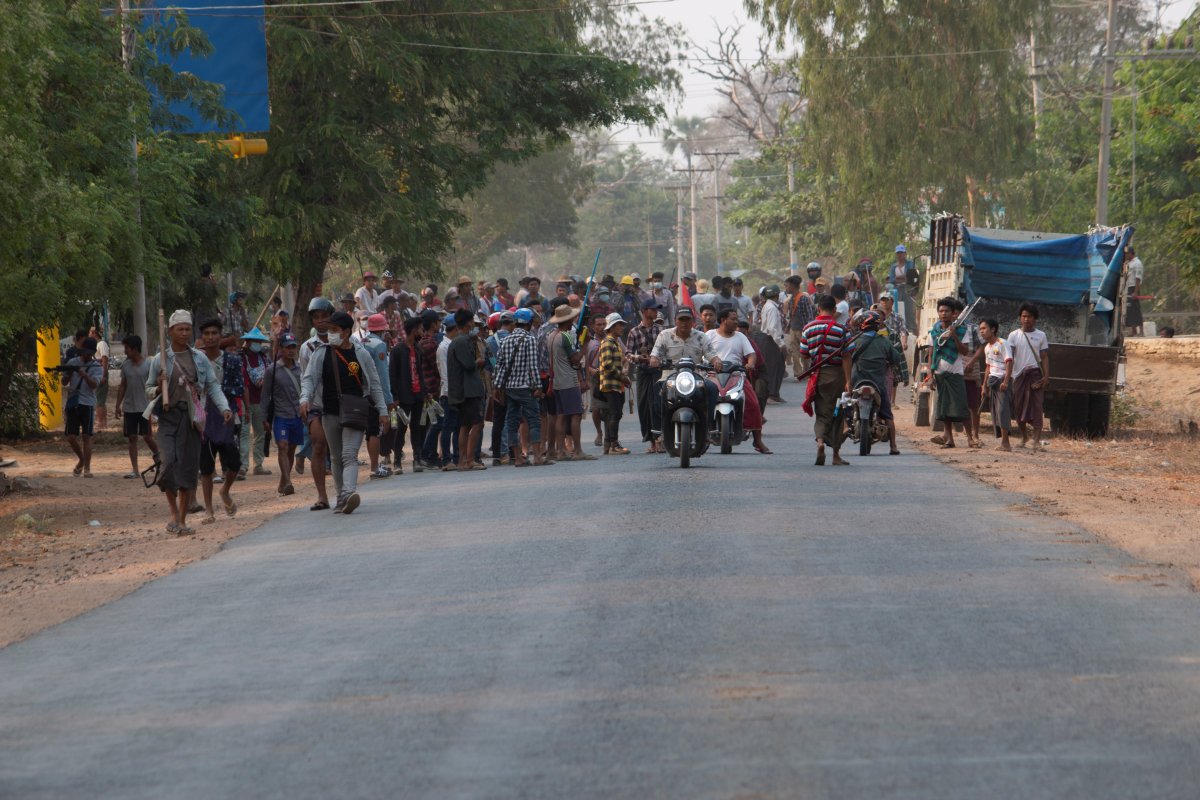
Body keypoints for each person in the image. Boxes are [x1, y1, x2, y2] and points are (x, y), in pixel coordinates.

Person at [147, 311, 232, 535]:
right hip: (167, 419)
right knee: (167, 464)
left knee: (187, 470)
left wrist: (224, 408)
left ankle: (182, 520)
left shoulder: (200, 359)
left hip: (192, 419)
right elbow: (148, 389)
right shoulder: (160, 359)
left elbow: (212, 386)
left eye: (187, 329)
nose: (184, 333)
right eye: (180, 329)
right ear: (170, 331)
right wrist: (157, 386)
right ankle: (173, 511)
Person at [299, 311, 388, 514]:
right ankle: (341, 498)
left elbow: (374, 383)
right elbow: (309, 379)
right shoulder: (320, 353)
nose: (329, 333)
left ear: (346, 332)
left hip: (355, 411)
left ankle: (348, 492)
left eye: (334, 330)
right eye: (328, 330)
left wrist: (382, 410)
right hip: (329, 412)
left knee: (349, 455)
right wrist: (305, 399)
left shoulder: (361, 354)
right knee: (337, 457)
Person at [798, 294, 854, 466]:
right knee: (838, 413)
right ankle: (836, 455)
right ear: (835, 309)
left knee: (822, 412)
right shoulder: (842, 329)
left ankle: (821, 441)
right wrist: (848, 381)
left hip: (818, 376)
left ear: (818, 308)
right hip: (837, 375)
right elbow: (847, 356)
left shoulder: (808, 328)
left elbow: (804, 353)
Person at [196, 324, 243, 523]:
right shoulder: (196, 359)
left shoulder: (231, 360)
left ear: (220, 335)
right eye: (206, 333)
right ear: (202, 336)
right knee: (206, 467)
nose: (211, 337)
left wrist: (225, 405)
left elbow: (238, 386)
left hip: (226, 415)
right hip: (203, 416)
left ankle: (225, 490)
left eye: (214, 333)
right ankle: (209, 511)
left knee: (234, 462)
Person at [707, 308, 771, 454]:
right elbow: (700, 351)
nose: (736, 322)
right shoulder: (709, 335)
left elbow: (751, 354)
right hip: (711, 375)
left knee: (753, 403)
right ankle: (701, 433)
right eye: (733, 319)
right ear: (723, 320)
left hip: (736, 375)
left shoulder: (740, 337)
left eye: (736, 319)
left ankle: (758, 440)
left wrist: (751, 363)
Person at [649, 306, 722, 432]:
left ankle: (708, 425)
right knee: (656, 392)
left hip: (695, 376)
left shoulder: (701, 337)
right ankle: (659, 429)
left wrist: (717, 361)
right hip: (670, 376)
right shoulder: (664, 335)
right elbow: (655, 354)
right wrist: (654, 360)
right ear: (675, 320)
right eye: (681, 319)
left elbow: (712, 354)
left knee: (712, 388)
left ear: (693, 321)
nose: (684, 323)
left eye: (687, 319)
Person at [493, 308, 550, 466]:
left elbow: (500, 366)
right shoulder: (530, 339)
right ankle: (538, 457)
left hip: (510, 388)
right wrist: (538, 386)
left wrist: (497, 387)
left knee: (512, 422)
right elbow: (533, 365)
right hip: (526, 388)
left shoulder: (506, 341)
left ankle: (518, 458)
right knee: (534, 421)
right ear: (530, 322)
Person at [849, 310, 908, 455]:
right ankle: (893, 446)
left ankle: (845, 427)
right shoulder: (884, 342)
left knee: (845, 405)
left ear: (861, 325)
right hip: (878, 385)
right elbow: (895, 358)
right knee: (888, 415)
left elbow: (845, 358)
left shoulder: (854, 341)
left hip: (856, 383)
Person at [297, 296, 335, 510]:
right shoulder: (307, 348)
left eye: (324, 316)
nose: (320, 321)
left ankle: (343, 491)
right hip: (317, 403)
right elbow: (305, 378)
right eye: (316, 318)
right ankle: (322, 496)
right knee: (318, 445)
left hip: (340, 403)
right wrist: (305, 400)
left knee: (337, 450)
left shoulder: (343, 342)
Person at [546, 303, 592, 461]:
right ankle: (578, 450)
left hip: (557, 380)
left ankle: (561, 451)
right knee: (575, 415)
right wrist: (585, 344)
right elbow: (575, 359)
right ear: (569, 319)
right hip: (568, 380)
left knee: (561, 416)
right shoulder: (565, 337)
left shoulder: (552, 335)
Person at [389, 316, 433, 474]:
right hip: (404, 395)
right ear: (414, 330)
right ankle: (397, 462)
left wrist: (425, 391)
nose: (422, 332)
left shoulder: (418, 349)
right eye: (420, 329)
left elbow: (420, 374)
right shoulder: (398, 350)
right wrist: (395, 397)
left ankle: (417, 458)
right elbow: (392, 375)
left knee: (418, 427)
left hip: (418, 395)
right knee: (401, 428)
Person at [445, 309, 487, 471]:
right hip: (468, 390)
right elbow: (468, 365)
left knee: (465, 425)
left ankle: (463, 460)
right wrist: (478, 361)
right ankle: (469, 459)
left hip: (462, 390)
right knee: (477, 423)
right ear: (468, 322)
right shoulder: (462, 342)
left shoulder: (459, 340)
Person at [262, 333, 304, 495]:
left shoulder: (300, 368)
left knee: (291, 449)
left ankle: (283, 481)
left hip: (297, 416)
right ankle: (287, 482)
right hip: (281, 416)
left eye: (293, 347)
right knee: (282, 446)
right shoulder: (272, 371)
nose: (291, 350)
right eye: (287, 347)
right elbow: (265, 395)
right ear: (281, 349)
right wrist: (265, 417)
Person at [926, 297, 970, 449]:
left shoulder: (962, 330)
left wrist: (954, 335)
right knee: (944, 408)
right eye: (941, 311)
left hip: (955, 373)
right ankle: (950, 439)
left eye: (947, 311)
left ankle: (971, 438)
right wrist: (931, 376)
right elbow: (931, 355)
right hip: (940, 374)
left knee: (961, 407)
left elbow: (965, 351)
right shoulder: (935, 331)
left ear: (953, 314)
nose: (943, 314)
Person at [114, 334, 159, 479]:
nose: (125, 351)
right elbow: (122, 386)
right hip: (129, 408)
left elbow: (154, 385)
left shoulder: (148, 365)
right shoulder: (125, 366)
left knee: (147, 436)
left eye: (127, 348)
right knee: (132, 437)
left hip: (145, 407)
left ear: (134, 349)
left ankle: (159, 457)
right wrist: (117, 405)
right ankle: (135, 469)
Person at [1008, 303, 1051, 451]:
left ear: (1035, 318)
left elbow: (1044, 357)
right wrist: (1007, 376)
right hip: (1019, 376)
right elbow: (1010, 357)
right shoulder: (1013, 335)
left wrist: (1046, 376)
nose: (1026, 319)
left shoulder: (1041, 335)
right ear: (1020, 318)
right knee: (1018, 407)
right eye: (1024, 316)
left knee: (1037, 407)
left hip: (1035, 376)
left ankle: (1036, 441)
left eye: (1029, 316)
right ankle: (1024, 436)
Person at [626, 298, 665, 453]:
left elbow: (667, 350)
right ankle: (651, 442)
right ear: (644, 311)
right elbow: (628, 354)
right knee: (643, 406)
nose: (656, 312)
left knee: (658, 404)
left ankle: (660, 439)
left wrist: (657, 360)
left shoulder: (661, 331)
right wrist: (638, 358)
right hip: (642, 372)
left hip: (658, 371)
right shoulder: (634, 332)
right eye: (653, 309)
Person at [63, 337, 104, 477]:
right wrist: (68, 374)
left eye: (89, 353)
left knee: (87, 436)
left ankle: (87, 468)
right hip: (73, 402)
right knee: (71, 437)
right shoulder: (72, 362)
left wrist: (84, 374)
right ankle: (81, 459)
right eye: (84, 352)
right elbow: (64, 382)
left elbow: (94, 385)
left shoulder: (97, 367)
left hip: (87, 403)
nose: (86, 355)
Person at [360, 313, 394, 478]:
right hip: (375, 393)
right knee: (375, 431)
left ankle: (374, 464)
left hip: (361, 393)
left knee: (368, 430)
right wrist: (387, 401)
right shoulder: (379, 345)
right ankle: (374, 467)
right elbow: (382, 375)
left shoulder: (361, 342)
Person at [238, 328, 273, 476]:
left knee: (260, 433)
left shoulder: (264, 358)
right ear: (248, 342)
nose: (258, 344)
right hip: (244, 401)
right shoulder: (240, 358)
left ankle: (258, 465)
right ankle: (243, 465)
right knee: (244, 433)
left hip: (260, 401)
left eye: (260, 341)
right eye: (256, 341)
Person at [596, 313, 631, 454]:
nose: (621, 327)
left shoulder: (615, 342)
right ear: (611, 327)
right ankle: (613, 445)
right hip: (610, 384)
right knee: (614, 414)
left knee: (615, 414)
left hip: (616, 384)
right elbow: (608, 365)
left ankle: (610, 444)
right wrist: (622, 377)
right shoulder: (607, 342)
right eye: (619, 325)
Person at [979, 319, 1013, 451]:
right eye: (980, 329)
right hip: (992, 381)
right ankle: (1003, 441)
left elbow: (1009, 362)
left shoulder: (1002, 343)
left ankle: (1006, 443)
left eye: (984, 328)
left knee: (1002, 410)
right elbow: (988, 367)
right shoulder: (987, 347)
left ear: (993, 329)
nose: (981, 332)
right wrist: (984, 386)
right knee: (995, 412)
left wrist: (1006, 381)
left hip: (1002, 381)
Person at [959, 307, 985, 448]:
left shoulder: (972, 328)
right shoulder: (942, 328)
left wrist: (972, 361)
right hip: (953, 371)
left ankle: (975, 435)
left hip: (970, 372)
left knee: (973, 405)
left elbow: (981, 346)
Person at [757, 284, 787, 403]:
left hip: (767, 339)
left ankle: (773, 393)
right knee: (776, 367)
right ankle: (772, 394)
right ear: (777, 294)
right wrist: (781, 344)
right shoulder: (772, 308)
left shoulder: (767, 305)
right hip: (771, 340)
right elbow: (773, 328)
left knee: (774, 366)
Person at [783, 275, 816, 380]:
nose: (786, 288)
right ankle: (798, 373)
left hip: (802, 330)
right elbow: (792, 315)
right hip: (793, 329)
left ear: (793, 286)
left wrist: (808, 331)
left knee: (805, 353)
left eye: (787, 286)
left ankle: (807, 371)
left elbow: (809, 316)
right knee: (794, 352)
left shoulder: (803, 298)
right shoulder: (791, 299)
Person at [88, 325, 110, 431]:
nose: (89, 335)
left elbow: (104, 359)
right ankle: (103, 422)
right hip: (98, 373)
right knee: (100, 398)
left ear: (94, 333)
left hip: (101, 373)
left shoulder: (102, 344)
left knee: (99, 400)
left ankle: (100, 422)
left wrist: (103, 375)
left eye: (90, 332)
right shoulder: (97, 345)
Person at [1125, 245, 1144, 337]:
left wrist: (1136, 292)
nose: (1126, 255)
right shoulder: (1128, 263)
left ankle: (1141, 331)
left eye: (1127, 253)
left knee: (1136, 309)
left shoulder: (1137, 263)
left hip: (1134, 288)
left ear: (1131, 253)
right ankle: (1134, 331)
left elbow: (1138, 278)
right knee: (1130, 310)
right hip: (1128, 288)